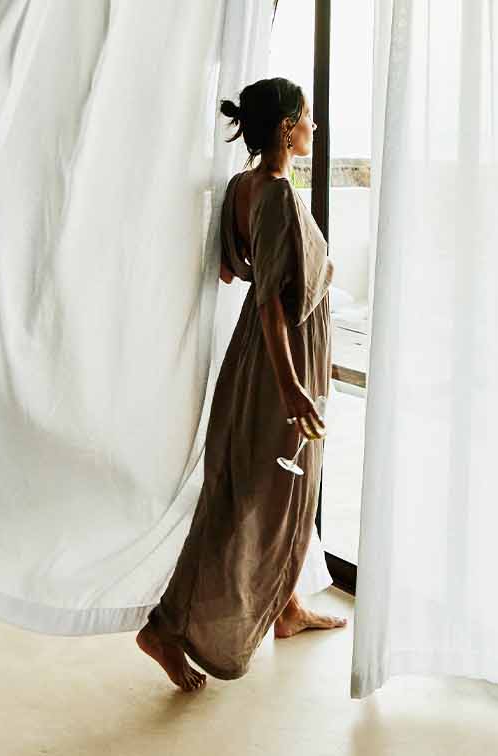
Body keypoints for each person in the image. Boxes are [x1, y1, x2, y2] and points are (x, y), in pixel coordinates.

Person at [137, 77, 347, 692]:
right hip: (284, 362)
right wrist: (291, 386)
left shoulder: (242, 186)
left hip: (254, 356)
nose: (314, 127)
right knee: (262, 496)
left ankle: (286, 607)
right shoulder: (276, 194)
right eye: (307, 117)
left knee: (263, 488)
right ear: (286, 126)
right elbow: (271, 303)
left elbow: (232, 270)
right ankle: (167, 627)